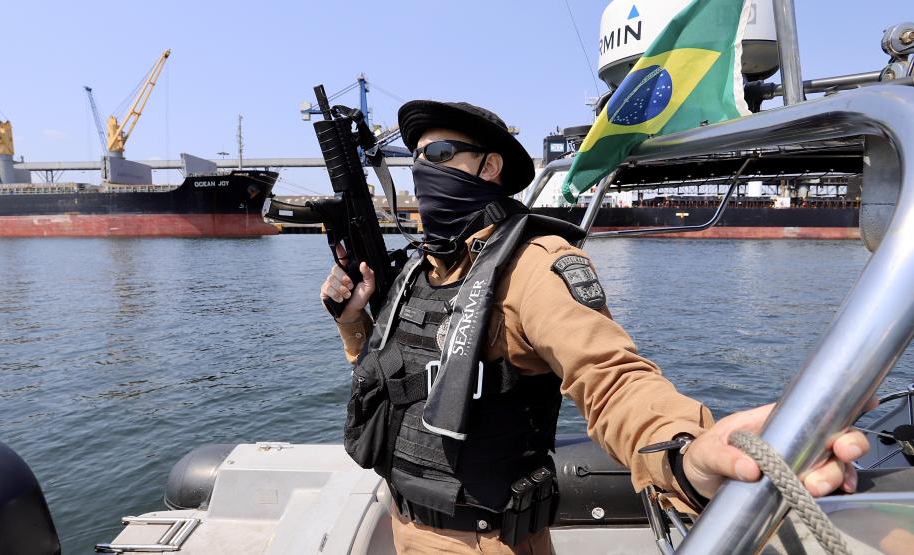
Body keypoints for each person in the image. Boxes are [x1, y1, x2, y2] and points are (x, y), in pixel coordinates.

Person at [320, 100, 871, 554]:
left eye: (440, 153)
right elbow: (394, 381)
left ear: (489, 168)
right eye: (416, 157)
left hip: (484, 543)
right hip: (403, 526)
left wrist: (685, 452)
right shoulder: (421, 266)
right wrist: (353, 322)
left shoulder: (533, 264)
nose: (424, 167)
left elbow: (610, 377)